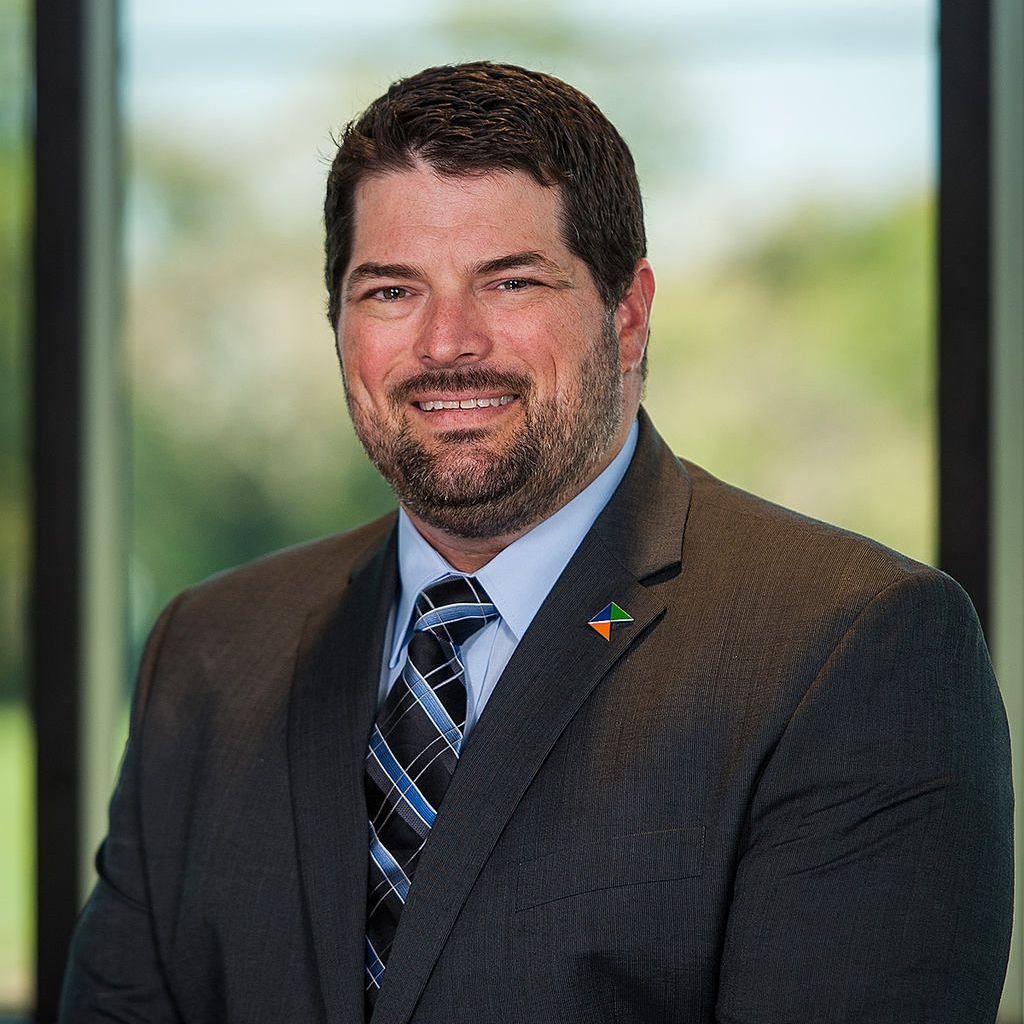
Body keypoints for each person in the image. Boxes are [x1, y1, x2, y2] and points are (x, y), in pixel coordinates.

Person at [61, 61, 1012, 1024]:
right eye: (391, 291)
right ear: (339, 322)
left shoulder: (848, 650)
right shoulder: (214, 650)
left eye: (509, 281)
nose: (445, 343)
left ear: (628, 312)